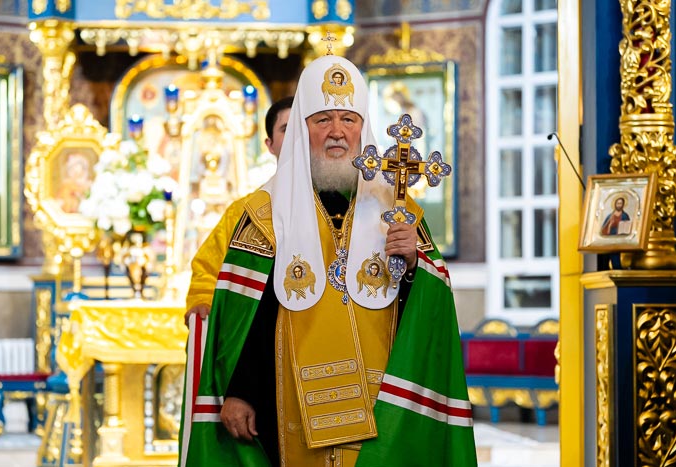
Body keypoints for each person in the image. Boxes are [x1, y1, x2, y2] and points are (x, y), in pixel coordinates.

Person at [179, 56, 476, 467]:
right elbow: (248, 314)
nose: (337, 131)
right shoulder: (264, 211)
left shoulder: (397, 208)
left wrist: (413, 264)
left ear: (362, 129)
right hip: (289, 397)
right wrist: (241, 391)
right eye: (323, 120)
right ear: (303, 130)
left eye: (348, 119)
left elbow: (432, 305)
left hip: (379, 396)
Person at [184, 96, 293, 323]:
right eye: (286, 129)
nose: (296, 135)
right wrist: (202, 300)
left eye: (302, 127)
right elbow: (207, 269)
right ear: (270, 145)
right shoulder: (244, 212)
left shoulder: (341, 203)